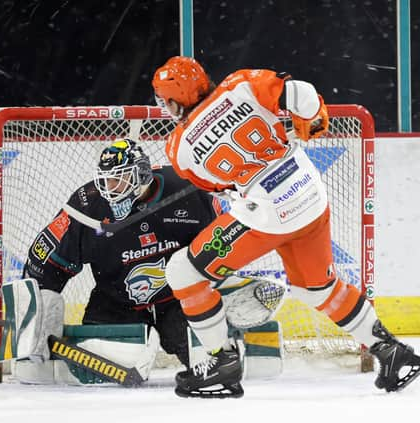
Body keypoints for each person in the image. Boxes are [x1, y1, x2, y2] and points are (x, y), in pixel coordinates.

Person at [151, 56, 420, 397]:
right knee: (316, 288)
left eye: (164, 99)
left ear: (174, 100)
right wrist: (312, 119)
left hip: (269, 213)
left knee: (184, 274)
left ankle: (222, 363)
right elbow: (302, 93)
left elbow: (219, 185)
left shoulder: (178, 148)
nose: (164, 106)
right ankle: (393, 352)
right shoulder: (241, 83)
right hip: (308, 191)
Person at [21, 137, 222, 378]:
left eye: (119, 179)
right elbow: (46, 265)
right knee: (98, 377)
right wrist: (36, 325)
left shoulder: (187, 189)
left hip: (178, 302)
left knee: (213, 363)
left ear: (142, 175)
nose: (110, 188)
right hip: (116, 303)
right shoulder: (88, 206)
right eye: (106, 180)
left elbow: (224, 245)